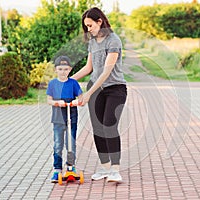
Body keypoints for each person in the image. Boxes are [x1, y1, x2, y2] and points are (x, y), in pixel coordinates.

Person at [71, 7, 127, 182]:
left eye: (90, 25)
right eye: (86, 26)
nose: (88, 29)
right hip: (96, 89)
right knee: (97, 129)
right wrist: (67, 80)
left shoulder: (113, 40)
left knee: (109, 125)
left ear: (99, 22)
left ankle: (115, 170)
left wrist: (88, 94)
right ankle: (104, 167)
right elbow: (89, 68)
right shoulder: (93, 42)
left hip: (115, 89)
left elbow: (106, 73)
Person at [46, 55, 83, 183]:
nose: (63, 72)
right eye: (60, 69)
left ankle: (71, 167)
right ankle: (57, 170)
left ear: (70, 69)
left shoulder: (73, 83)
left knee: (70, 143)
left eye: (65, 69)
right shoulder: (52, 84)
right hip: (58, 118)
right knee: (58, 144)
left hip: (71, 116)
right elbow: (48, 100)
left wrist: (77, 101)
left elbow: (81, 97)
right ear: (56, 69)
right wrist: (57, 102)